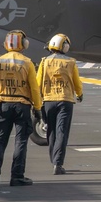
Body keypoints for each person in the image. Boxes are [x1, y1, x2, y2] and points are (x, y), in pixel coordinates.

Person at [0, 30, 42, 187]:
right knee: (21, 142)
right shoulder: (27, 62)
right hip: (22, 106)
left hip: (2, 105)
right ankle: (17, 176)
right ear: (24, 44)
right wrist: (37, 108)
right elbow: (34, 88)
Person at [36, 33, 83, 175]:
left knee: (51, 132)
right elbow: (76, 82)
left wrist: (36, 102)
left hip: (48, 101)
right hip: (65, 100)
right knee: (62, 131)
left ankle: (53, 161)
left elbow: (38, 83)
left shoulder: (44, 62)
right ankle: (58, 163)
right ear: (65, 46)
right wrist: (80, 94)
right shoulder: (70, 62)